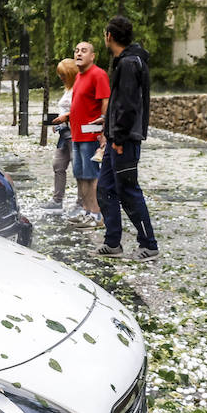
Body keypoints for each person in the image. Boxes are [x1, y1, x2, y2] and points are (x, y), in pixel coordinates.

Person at [96, 16, 160, 260]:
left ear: (109, 36)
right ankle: (113, 242)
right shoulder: (125, 61)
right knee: (106, 188)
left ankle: (149, 244)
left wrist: (119, 138)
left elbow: (129, 105)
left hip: (124, 141)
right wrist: (109, 122)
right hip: (117, 137)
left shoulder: (129, 63)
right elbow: (120, 103)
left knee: (128, 191)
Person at [66, 41, 110, 227]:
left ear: (93, 56)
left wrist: (104, 130)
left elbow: (105, 101)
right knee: (80, 175)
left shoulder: (98, 74)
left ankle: (97, 215)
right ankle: (86, 210)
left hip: (91, 135)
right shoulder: (79, 76)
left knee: (92, 176)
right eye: (76, 50)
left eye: (84, 51)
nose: (79, 53)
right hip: (76, 134)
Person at [41, 58, 77, 211]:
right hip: (64, 133)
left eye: (63, 74)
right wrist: (57, 123)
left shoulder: (78, 88)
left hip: (75, 133)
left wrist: (66, 117)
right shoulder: (67, 89)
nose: (61, 78)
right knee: (58, 165)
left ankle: (84, 202)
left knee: (79, 169)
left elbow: (82, 109)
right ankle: (57, 200)